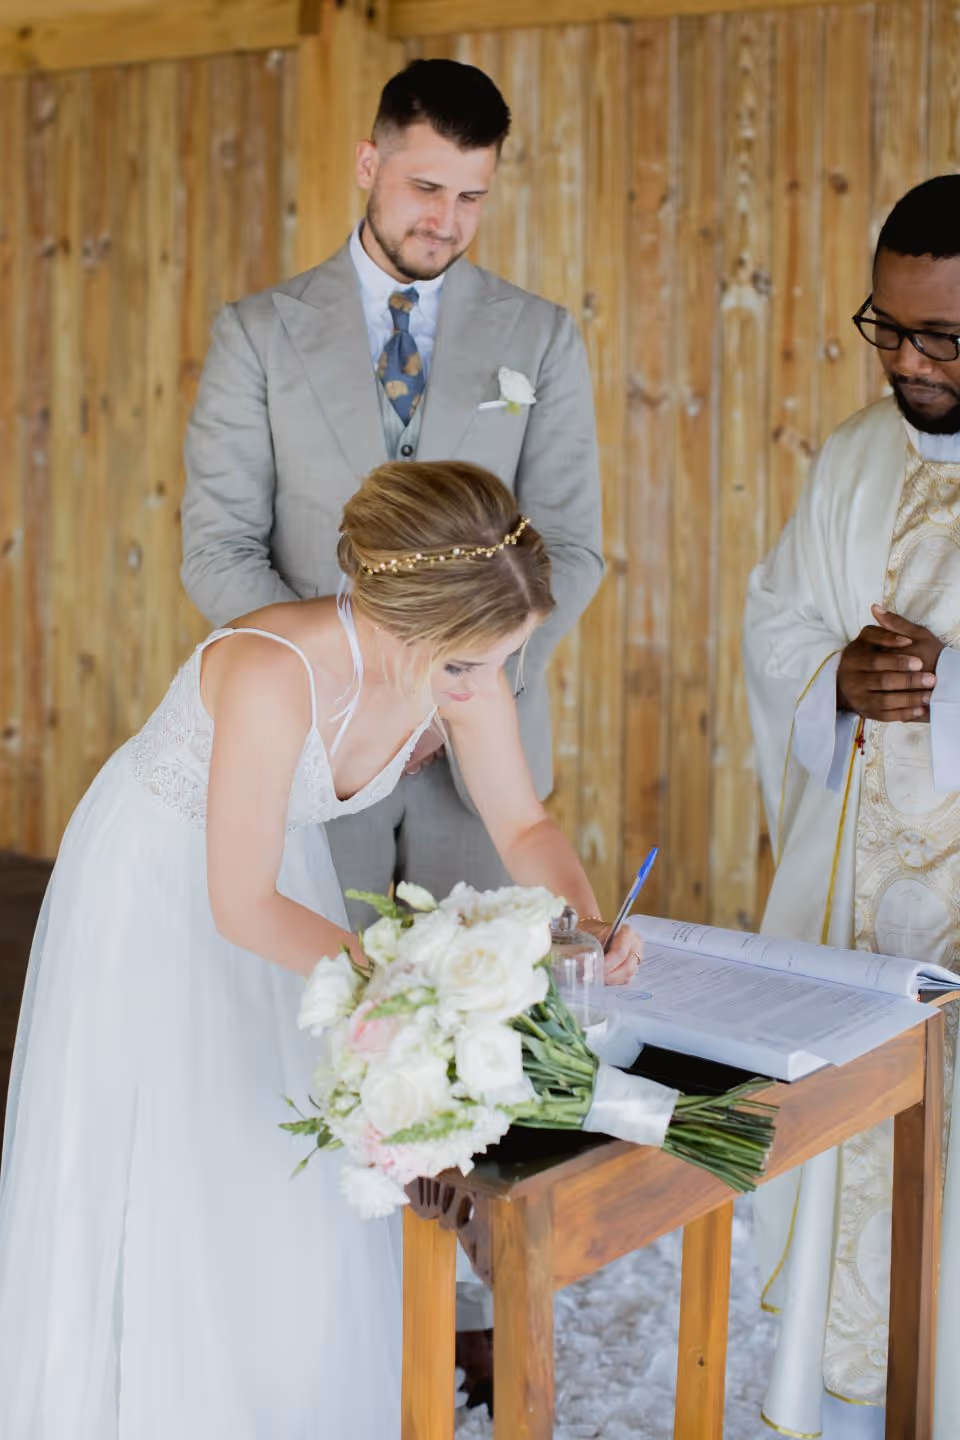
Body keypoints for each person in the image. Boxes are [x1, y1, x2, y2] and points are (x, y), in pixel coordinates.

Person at [0, 460, 637, 1439]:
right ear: (404, 624)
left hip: (267, 877)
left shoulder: (461, 669)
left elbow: (525, 825)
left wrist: (579, 925)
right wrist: (416, 994)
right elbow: (242, 905)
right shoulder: (268, 673)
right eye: (465, 667)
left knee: (281, 1126)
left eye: (501, 661)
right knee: (183, 1134)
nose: (483, 689)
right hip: (164, 884)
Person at [181, 54, 603, 1368]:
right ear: (370, 165)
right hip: (316, 747)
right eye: (426, 185)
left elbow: (572, 550)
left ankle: (473, 1313)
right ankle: (332, 1311)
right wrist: (360, 681)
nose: (446, 219)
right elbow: (217, 552)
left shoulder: (540, 337)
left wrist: (458, 684)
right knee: (324, 1044)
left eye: (473, 196)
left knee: (481, 1040)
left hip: (476, 741)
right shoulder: (260, 332)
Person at [744, 173, 960, 1440]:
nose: (913, 363)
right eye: (889, 328)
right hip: (854, 917)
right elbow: (777, 620)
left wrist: (943, 686)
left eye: (944, 335)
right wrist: (837, 678)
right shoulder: (852, 455)